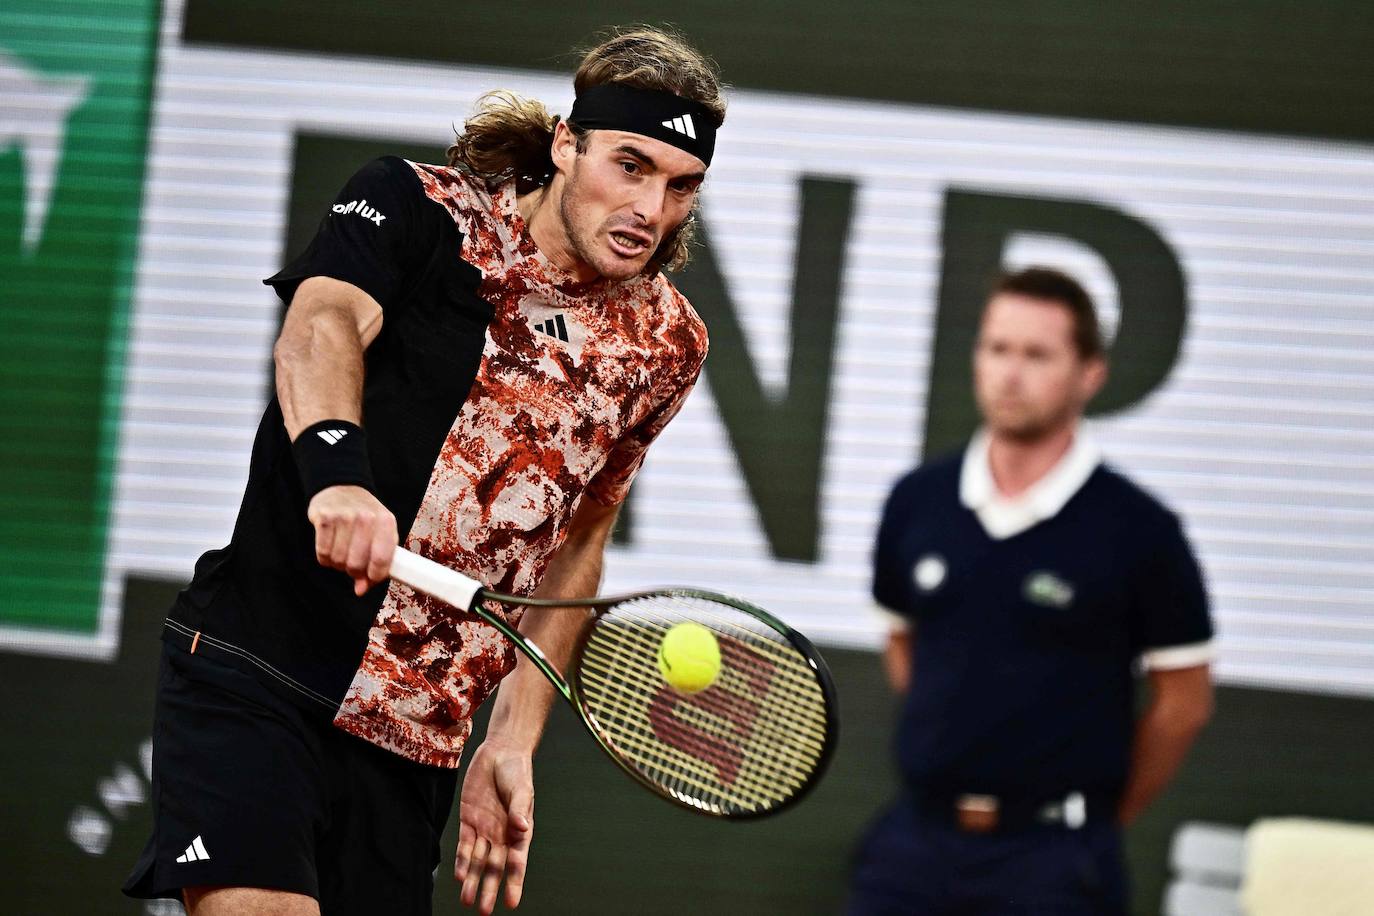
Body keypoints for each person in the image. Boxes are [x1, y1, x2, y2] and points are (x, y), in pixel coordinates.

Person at [123, 26, 724, 916]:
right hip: (261, 666)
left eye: (680, 187)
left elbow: (576, 538)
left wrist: (510, 742)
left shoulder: (665, 345)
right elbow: (322, 324)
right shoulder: (414, 207)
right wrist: (336, 475)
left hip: (414, 744)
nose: (650, 206)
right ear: (567, 144)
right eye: (629, 165)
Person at [848, 267, 1216, 915]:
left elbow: (1184, 701)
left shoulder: (1141, 530)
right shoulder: (917, 501)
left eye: (1037, 354)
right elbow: (906, 641)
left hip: (1055, 865)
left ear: (1090, 374)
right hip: (914, 846)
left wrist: (1097, 820)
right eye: (997, 349)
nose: (1010, 373)